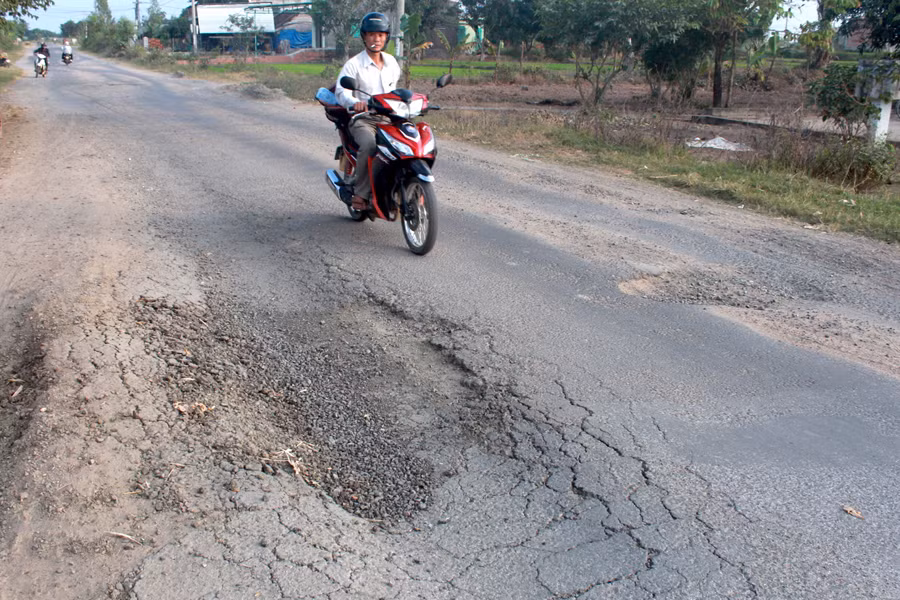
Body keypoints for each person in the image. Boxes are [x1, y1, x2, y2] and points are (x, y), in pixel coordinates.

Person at [334, 12, 401, 211]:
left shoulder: (391, 63)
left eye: (380, 35)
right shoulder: (354, 64)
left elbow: (395, 91)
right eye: (372, 34)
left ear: (386, 37)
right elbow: (341, 90)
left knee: (408, 145)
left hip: (389, 118)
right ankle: (361, 195)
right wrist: (355, 102)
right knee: (371, 146)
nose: (376, 39)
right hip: (364, 119)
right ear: (364, 36)